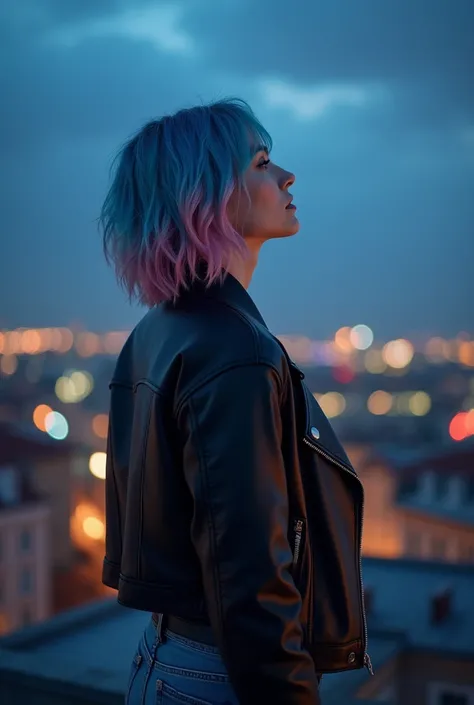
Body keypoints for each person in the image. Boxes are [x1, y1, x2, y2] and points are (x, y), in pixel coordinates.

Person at [98, 98, 373, 705]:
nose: (286, 176)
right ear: (212, 194)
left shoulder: (160, 330)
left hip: (166, 656)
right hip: (223, 676)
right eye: (263, 162)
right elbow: (249, 573)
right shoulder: (235, 350)